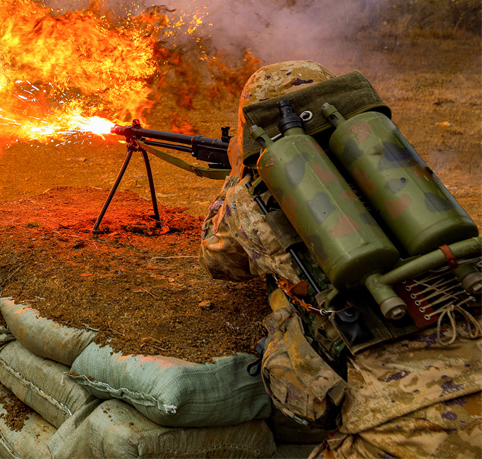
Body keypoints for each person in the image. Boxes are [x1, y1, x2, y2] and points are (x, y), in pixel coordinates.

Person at [200, 60, 481, 459]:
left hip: (404, 426)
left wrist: (235, 178)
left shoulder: (253, 198)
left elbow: (219, 261)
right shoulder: (392, 161)